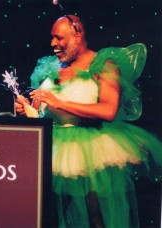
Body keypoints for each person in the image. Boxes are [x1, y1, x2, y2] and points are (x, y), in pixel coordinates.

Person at [15, 15, 162, 227]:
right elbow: (40, 112)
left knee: (94, 216)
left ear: (77, 35)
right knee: (49, 216)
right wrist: (27, 111)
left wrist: (59, 102)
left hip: (90, 150)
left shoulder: (103, 64)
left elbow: (108, 109)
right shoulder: (49, 67)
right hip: (51, 148)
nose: (53, 43)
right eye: (52, 38)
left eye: (59, 38)